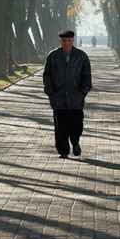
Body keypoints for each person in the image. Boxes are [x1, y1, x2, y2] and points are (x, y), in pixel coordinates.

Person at [43, 29, 92, 158]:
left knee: (77, 124)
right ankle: (63, 151)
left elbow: (87, 76)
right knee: (61, 127)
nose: (66, 43)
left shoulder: (81, 56)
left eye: (69, 41)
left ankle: (75, 142)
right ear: (60, 41)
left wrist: (82, 92)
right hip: (58, 97)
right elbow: (47, 75)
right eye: (64, 41)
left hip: (76, 98)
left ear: (73, 40)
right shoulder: (53, 56)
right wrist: (50, 92)